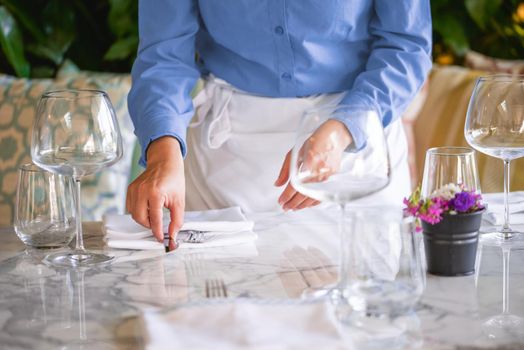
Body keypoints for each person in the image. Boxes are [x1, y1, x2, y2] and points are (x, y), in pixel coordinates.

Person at [126, 0, 432, 242]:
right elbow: (164, 56)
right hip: (227, 155)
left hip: (355, 142)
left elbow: (406, 47)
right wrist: (162, 154)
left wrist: (343, 131)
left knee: (362, 309)